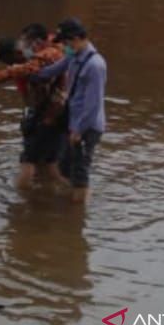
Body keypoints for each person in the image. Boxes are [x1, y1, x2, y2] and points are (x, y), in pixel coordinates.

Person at [0, 24, 68, 190]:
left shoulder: (50, 54)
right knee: (49, 163)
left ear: (36, 42)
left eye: (25, 43)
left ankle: (21, 203)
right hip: (51, 113)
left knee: (29, 160)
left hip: (51, 114)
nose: (23, 49)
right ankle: (62, 195)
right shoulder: (44, 54)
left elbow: (27, 70)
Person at [33, 18, 107, 203]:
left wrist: (78, 131)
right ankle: (69, 203)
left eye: (65, 42)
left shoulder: (95, 65)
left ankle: (78, 214)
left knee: (80, 170)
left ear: (75, 38)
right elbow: (51, 71)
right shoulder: (73, 56)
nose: (63, 46)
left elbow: (93, 104)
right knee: (65, 166)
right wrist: (29, 72)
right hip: (73, 121)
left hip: (86, 126)